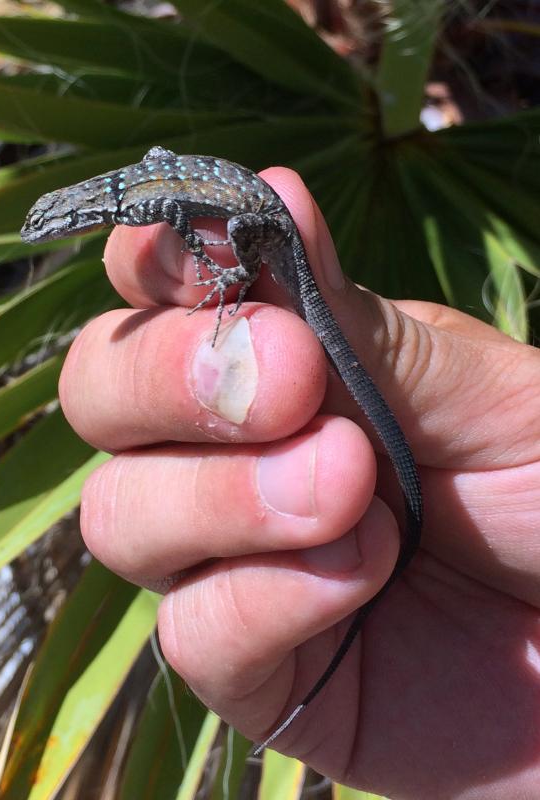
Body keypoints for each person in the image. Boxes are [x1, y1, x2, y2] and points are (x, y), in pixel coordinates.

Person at [59, 167, 540, 798]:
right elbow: (171, 193)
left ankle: (236, 276)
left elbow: (178, 212)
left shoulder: (137, 204)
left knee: (274, 323)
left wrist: (226, 269)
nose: (53, 229)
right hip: (261, 225)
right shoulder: (134, 193)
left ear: (80, 214)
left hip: (269, 229)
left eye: (56, 220)